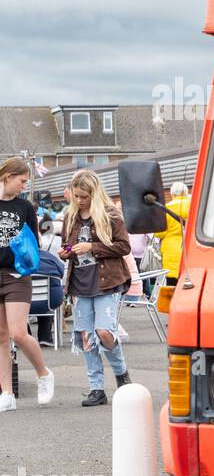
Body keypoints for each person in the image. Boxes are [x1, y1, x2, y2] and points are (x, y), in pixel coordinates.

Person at [61, 170, 133, 406]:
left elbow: (123, 247)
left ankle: (122, 374)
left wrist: (92, 246)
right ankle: (96, 388)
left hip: (108, 282)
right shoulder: (70, 216)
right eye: (76, 196)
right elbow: (67, 246)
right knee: (86, 337)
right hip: (80, 283)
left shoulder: (111, 214)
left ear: (94, 193)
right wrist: (66, 252)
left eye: (84, 196)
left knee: (104, 332)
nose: (80, 201)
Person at [0, 157, 56, 410]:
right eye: (21, 181)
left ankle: (43, 373)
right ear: (8, 176)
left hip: (16, 275)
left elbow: (36, 244)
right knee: (0, 337)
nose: (23, 186)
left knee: (18, 333)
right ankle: (7, 394)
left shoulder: (25, 207)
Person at [156, 182, 191, 285]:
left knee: (172, 284)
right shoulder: (194, 205)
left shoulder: (166, 208)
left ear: (172, 194)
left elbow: (159, 233)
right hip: (189, 247)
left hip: (171, 250)